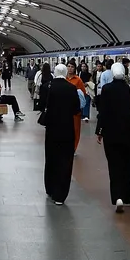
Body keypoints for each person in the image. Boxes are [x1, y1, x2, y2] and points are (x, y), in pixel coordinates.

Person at [94, 63, 130, 212]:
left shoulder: (106, 89)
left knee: (114, 164)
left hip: (111, 133)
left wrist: (99, 131)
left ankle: (117, 196)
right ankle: (127, 197)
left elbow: (103, 112)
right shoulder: (129, 89)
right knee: (127, 164)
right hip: (127, 133)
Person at [41, 64, 81, 205]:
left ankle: (50, 188)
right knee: (65, 160)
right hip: (66, 129)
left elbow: (41, 105)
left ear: (54, 72)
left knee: (51, 158)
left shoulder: (47, 86)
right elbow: (76, 109)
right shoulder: (71, 88)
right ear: (65, 73)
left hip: (51, 129)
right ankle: (60, 195)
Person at [65, 62, 87, 147]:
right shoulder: (64, 79)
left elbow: (83, 94)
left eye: (72, 67)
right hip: (65, 109)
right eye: (68, 66)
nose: (70, 68)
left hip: (75, 110)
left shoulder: (78, 80)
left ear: (75, 68)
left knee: (76, 129)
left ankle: (74, 147)